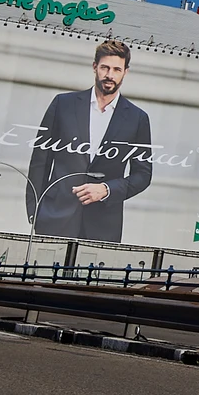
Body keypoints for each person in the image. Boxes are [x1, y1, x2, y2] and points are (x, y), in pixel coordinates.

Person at [26, 39, 154, 244]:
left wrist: (107, 189)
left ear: (125, 72)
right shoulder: (63, 104)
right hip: (54, 216)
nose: (109, 75)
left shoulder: (137, 119)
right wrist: (35, 211)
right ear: (95, 67)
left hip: (103, 224)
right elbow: (40, 161)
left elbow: (143, 174)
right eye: (104, 67)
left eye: (116, 69)